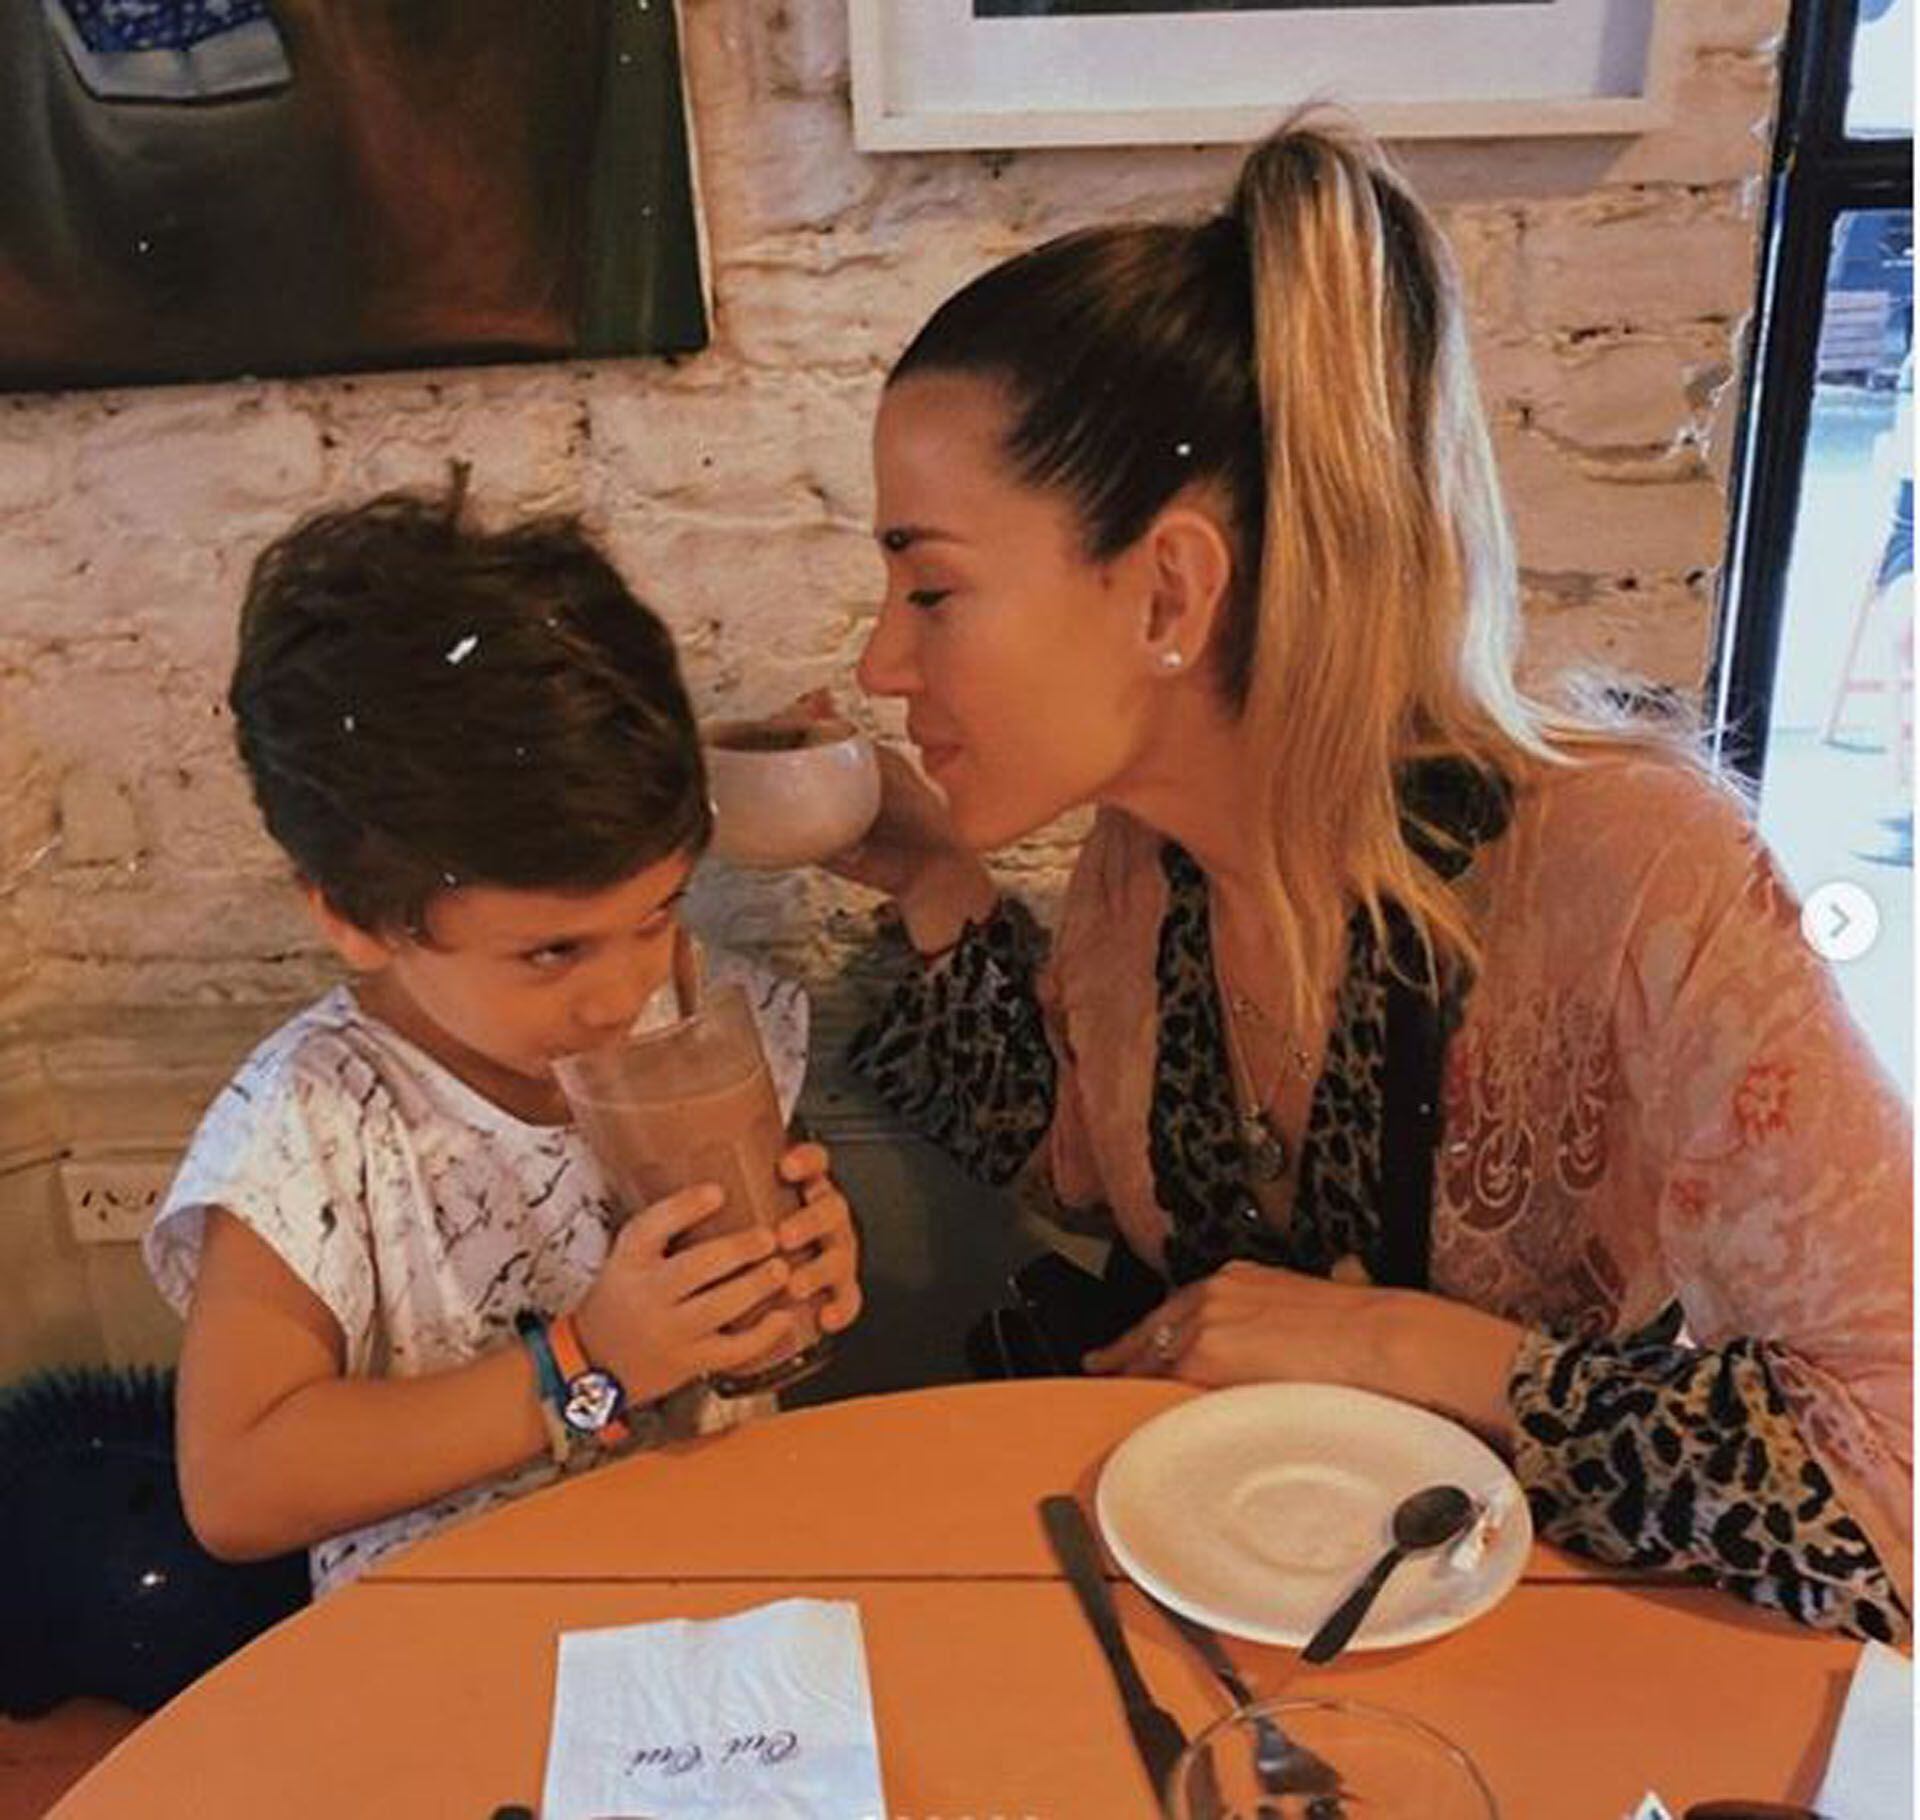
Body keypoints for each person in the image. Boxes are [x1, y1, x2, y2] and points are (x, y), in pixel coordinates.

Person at [833, 118, 1912, 1641]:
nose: (881, 662)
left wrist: (1394, 1346)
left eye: (931, 586)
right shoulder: (1143, 857)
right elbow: (1076, 1160)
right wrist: (929, 873)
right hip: (1215, 1614)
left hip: (1546, 1662)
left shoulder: (1636, 875)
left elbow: (1892, 1479)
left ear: (1169, 593)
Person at [144, 483, 863, 1594]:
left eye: (658, 913)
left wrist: (807, 1260)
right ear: (354, 915)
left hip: (720, 1592)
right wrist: (584, 1360)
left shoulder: (700, 1013)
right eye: (551, 952)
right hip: (453, 1632)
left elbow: (757, 1306)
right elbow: (236, 1485)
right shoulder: (317, 1122)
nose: (621, 993)